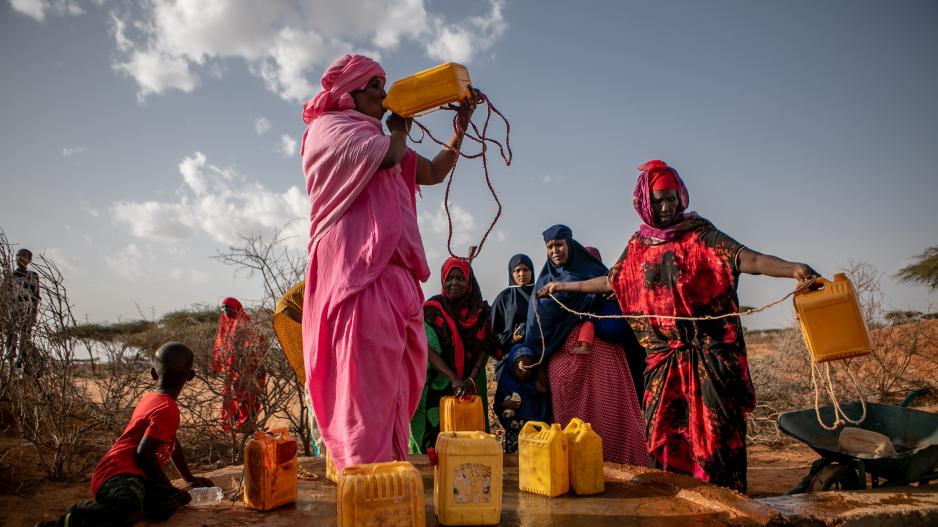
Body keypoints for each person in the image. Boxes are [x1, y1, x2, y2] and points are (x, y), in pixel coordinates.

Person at [539, 160, 818, 492]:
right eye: (659, 200)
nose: (667, 206)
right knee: (664, 435)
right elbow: (611, 282)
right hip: (664, 362)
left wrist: (793, 269)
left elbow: (747, 259)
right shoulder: (638, 248)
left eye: (671, 198)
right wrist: (566, 287)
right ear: (646, 202)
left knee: (716, 441)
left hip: (709, 359)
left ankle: (724, 503)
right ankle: (676, 503)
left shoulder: (701, 237)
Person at [301, 54, 478, 470]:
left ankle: (389, 475)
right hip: (358, 277)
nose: (384, 94)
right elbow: (387, 157)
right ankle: (365, 479)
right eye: (376, 85)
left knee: (399, 384)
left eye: (384, 85)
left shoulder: (381, 140)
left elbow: (432, 171)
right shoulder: (330, 130)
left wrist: (460, 127)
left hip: (397, 278)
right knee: (366, 389)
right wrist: (397, 130)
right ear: (350, 91)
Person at [38, 343, 214, 527]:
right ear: (191, 376)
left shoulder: (152, 399)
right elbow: (144, 453)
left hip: (131, 474)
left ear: (153, 373)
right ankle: (68, 521)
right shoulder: (167, 408)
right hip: (118, 474)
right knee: (128, 507)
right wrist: (169, 489)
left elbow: (172, 442)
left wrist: (189, 479)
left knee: (165, 506)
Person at [526, 225, 648, 466]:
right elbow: (537, 329)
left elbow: (618, 288)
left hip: (603, 355)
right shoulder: (544, 283)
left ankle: (620, 466)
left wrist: (612, 294)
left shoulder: (595, 273)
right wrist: (538, 364)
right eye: (550, 247)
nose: (555, 250)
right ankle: (574, 470)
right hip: (563, 359)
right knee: (570, 420)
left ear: (570, 245)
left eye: (559, 244)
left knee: (610, 414)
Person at [409, 257, 500, 453]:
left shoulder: (481, 311)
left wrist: (470, 379)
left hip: (472, 382)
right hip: (438, 382)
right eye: (450, 278)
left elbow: (487, 344)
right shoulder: (432, 310)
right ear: (442, 279)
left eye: (460, 278)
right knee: (436, 444)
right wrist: (453, 379)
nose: (454, 283)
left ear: (469, 282)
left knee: (470, 441)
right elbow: (425, 347)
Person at [272, 281, 324, 455]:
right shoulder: (317, 283)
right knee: (320, 415)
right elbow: (284, 305)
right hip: (319, 365)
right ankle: (325, 459)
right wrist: (314, 326)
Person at [212, 297, 265, 433]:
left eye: (227, 307)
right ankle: (232, 426)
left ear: (236, 308)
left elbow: (256, 346)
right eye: (223, 308)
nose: (225, 310)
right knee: (230, 398)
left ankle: (246, 427)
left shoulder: (246, 325)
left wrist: (246, 361)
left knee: (247, 399)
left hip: (248, 372)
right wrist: (215, 366)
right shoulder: (224, 327)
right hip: (231, 372)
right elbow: (219, 347)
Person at [493, 344, 549, 453]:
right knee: (517, 460)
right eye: (519, 369)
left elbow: (546, 400)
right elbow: (497, 405)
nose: (523, 374)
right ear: (511, 366)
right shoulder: (505, 384)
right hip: (515, 429)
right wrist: (504, 404)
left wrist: (540, 389)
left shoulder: (535, 384)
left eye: (528, 370)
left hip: (536, 428)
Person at [489, 254, 535, 358]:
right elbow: (493, 331)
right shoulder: (503, 298)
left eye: (525, 269)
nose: (522, 274)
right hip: (510, 353)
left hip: (540, 351)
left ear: (531, 271)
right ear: (511, 273)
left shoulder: (539, 294)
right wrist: (512, 339)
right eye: (517, 270)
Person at [5, 248, 41, 376]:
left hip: (28, 313)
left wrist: (34, 315)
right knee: (11, 340)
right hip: (13, 313)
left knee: (25, 341)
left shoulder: (33, 276)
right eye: (18, 255)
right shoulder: (10, 276)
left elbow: (36, 296)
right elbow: (5, 295)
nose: (19, 257)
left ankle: (21, 368)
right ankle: (10, 369)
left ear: (29, 260)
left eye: (23, 255)